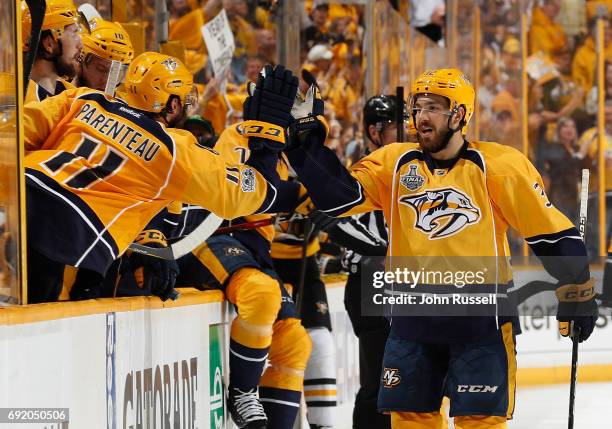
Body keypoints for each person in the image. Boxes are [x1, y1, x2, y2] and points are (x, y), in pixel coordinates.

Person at [284, 68, 598, 428]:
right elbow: (339, 195)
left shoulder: (498, 166)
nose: (421, 117)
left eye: (433, 106)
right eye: (418, 107)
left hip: (481, 325)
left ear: (460, 114)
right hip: (411, 328)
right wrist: (304, 142)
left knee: (481, 424)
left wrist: (577, 291)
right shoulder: (395, 163)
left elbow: (551, 233)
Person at [22, 54, 299, 304]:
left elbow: (13, 136)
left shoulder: (83, 99)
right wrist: (265, 145)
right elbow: (244, 195)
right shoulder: (173, 149)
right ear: (173, 104)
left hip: (19, 203)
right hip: (66, 239)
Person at [176, 119, 312, 429]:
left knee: (295, 341)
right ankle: (243, 392)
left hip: (256, 247)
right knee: (261, 293)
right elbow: (247, 195)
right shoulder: (242, 135)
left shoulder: (297, 149)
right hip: (216, 233)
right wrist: (304, 196)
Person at [22, 0, 83, 102]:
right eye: (74, 33)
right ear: (49, 44)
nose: (81, 45)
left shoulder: (73, 94)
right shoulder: (19, 102)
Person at [74, 17, 134, 94]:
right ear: (80, 58)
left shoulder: (120, 102)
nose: (106, 83)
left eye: (115, 72)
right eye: (101, 69)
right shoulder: (59, 99)